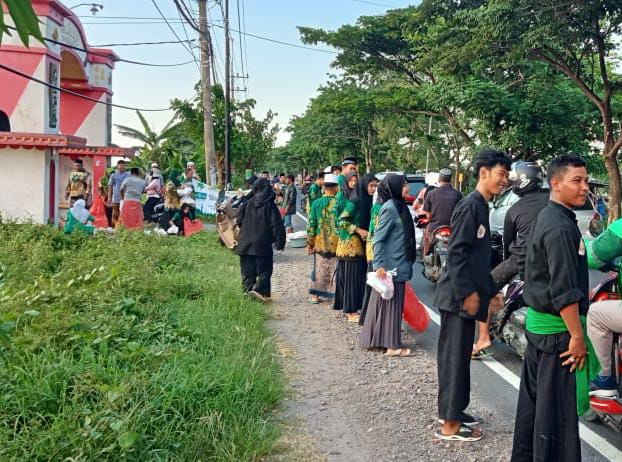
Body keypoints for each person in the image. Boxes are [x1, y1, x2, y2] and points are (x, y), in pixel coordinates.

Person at [512, 154, 597, 462]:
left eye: (586, 180)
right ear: (555, 183)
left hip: (540, 332)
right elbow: (563, 290)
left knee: (535, 411)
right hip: (557, 336)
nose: (584, 187)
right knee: (555, 419)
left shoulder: (551, 217)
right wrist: (576, 336)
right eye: (577, 180)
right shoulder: (559, 227)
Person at [434, 149, 510, 442]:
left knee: (460, 359)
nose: (504, 181)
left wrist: (490, 291)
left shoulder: (483, 206)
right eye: (500, 174)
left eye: (506, 175)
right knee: (453, 360)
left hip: (467, 297)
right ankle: (450, 425)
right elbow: (456, 253)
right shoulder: (470, 206)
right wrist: (468, 294)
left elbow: (478, 259)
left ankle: (454, 410)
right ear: (484, 173)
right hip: (457, 299)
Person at [473, 162, 548, 358]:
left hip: (520, 261)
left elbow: (507, 244)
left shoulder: (514, 209)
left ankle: (483, 339)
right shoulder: (553, 201)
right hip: (551, 262)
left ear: (521, 181)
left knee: (484, 291)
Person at [360, 175, 416, 357]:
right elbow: (378, 239)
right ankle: (392, 346)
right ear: (395, 187)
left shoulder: (400, 206)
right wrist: (379, 265)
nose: (407, 187)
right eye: (404, 185)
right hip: (391, 266)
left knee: (386, 304)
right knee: (392, 305)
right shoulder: (390, 208)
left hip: (399, 262)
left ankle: (376, 341)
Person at [235, 178, 286, 302]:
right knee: (265, 271)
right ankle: (259, 292)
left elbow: (239, 221)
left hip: (245, 244)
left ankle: (248, 295)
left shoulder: (247, 203)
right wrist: (280, 243)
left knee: (247, 273)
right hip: (262, 245)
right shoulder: (270, 206)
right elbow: (276, 225)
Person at [333, 172, 369, 322]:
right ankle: (350, 311)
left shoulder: (359, 198)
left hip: (353, 243)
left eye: (356, 180)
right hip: (350, 244)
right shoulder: (350, 200)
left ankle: (348, 307)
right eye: (351, 180)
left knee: (349, 277)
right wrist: (358, 230)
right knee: (350, 278)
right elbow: (340, 221)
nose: (353, 183)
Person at [359, 180, 391, 326]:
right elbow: (379, 233)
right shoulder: (380, 208)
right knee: (377, 287)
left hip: (373, 249)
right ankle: (372, 320)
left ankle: (369, 318)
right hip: (376, 251)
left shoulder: (379, 206)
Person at [307, 174, 340, 304]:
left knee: (319, 269)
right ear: (336, 188)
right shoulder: (340, 203)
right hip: (336, 242)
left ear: (324, 187)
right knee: (335, 268)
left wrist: (310, 243)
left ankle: (315, 296)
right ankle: (335, 297)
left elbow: (311, 224)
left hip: (320, 242)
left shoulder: (316, 203)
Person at [422, 168, 462, 256]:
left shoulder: (431, 194)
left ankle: (426, 257)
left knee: (426, 239)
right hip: (453, 229)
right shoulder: (458, 194)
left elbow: (428, 216)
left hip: (435, 229)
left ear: (439, 179)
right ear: (450, 180)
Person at [107, 160, 129, 227]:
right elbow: (110, 187)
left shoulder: (128, 175)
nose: (122, 167)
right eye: (121, 165)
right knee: (115, 213)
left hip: (126, 197)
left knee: (124, 213)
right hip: (116, 197)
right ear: (117, 166)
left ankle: (123, 227)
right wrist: (109, 198)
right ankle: (114, 227)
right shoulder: (113, 175)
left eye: (124, 165)